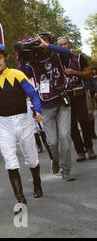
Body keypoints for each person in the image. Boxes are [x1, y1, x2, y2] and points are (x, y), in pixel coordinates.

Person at [0, 43, 43, 212]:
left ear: (5, 58)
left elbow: (33, 94)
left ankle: (37, 185)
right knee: (10, 160)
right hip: (4, 124)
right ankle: (20, 198)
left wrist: (37, 110)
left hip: (23, 120)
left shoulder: (17, 74)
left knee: (31, 157)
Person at [16, 32, 75, 181]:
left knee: (65, 137)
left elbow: (69, 53)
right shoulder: (32, 61)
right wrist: (22, 58)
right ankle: (55, 160)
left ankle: (65, 170)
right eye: (39, 41)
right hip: (46, 106)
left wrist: (47, 45)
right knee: (53, 142)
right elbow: (21, 76)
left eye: (45, 41)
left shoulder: (58, 55)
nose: (41, 44)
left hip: (62, 102)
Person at [57, 36, 95, 161]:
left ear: (69, 44)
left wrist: (75, 72)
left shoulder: (78, 57)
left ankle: (89, 148)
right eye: (60, 45)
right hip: (65, 97)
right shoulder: (55, 60)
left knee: (84, 122)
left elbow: (89, 73)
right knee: (71, 125)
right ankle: (80, 152)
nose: (63, 47)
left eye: (65, 44)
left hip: (78, 93)